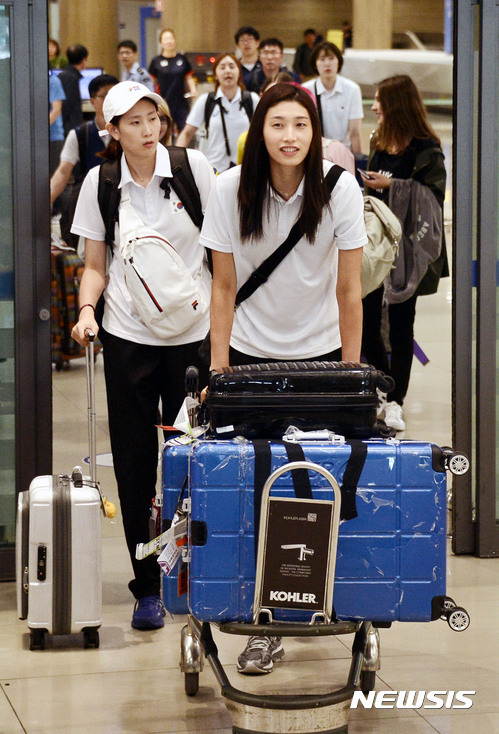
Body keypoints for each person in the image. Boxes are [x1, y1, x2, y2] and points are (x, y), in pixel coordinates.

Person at [200, 84, 366, 673]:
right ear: (259, 130)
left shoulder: (339, 186)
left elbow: (350, 291)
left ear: (315, 130)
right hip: (248, 359)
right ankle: (260, 624)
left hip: (321, 358)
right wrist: (219, 372)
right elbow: (222, 287)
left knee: (318, 487)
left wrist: (352, 376)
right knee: (254, 489)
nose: (290, 136)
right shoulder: (227, 188)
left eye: (301, 124)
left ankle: (323, 603)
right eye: (278, 124)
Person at [70, 81, 214, 631]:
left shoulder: (194, 169)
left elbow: (221, 249)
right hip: (128, 336)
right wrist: (87, 310)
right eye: (133, 122)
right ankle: (148, 583)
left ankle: (198, 574)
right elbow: (94, 265)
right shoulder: (101, 183)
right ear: (112, 131)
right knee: (134, 464)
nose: (148, 129)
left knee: (194, 457)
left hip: (193, 338)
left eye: (152, 117)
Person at [361, 75, 448, 432]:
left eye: (379, 100)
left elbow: (433, 199)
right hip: (376, 248)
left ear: (395, 104)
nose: (374, 107)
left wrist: (392, 186)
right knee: (367, 324)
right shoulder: (379, 142)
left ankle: (396, 400)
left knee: (400, 328)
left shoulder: (427, 149)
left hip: (408, 255)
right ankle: (381, 390)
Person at [50, 74, 119, 247]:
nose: (111, 100)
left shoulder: (129, 131)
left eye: (115, 95)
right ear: (93, 101)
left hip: (123, 208)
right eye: (106, 95)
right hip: (89, 210)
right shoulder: (80, 135)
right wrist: (46, 201)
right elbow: (63, 172)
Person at [176, 54, 259, 173]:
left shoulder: (252, 100)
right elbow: (187, 133)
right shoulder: (206, 101)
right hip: (214, 172)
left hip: (246, 171)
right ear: (215, 74)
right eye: (222, 67)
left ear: (239, 72)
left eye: (232, 66)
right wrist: (177, 162)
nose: (228, 71)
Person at [302, 41, 363, 153]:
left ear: (339, 62)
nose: (327, 64)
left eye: (331, 58)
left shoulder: (352, 89)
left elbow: (355, 133)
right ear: (315, 64)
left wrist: (359, 161)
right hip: (316, 152)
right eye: (322, 59)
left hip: (344, 151)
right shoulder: (306, 90)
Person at [148, 28, 197, 134]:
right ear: (161, 43)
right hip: (163, 102)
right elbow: (150, 81)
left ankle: (183, 150)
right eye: (166, 39)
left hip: (181, 102)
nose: (169, 41)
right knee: (165, 132)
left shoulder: (182, 59)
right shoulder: (156, 61)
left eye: (171, 38)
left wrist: (193, 90)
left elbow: (189, 77)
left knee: (184, 130)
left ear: (174, 41)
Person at [58, 44, 89, 136]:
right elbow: (67, 105)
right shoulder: (71, 78)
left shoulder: (64, 75)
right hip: (70, 128)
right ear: (84, 60)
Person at [49, 70, 66, 178]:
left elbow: (56, 110)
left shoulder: (53, 81)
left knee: (55, 177)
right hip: (36, 138)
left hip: (53, 137)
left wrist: (40, 131)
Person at [235, 25, 262, 90]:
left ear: (257, 43)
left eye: (250, 39)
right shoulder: (235, 67)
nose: (246, 43)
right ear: (237, 45)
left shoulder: (264, 66)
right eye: (242, 40)